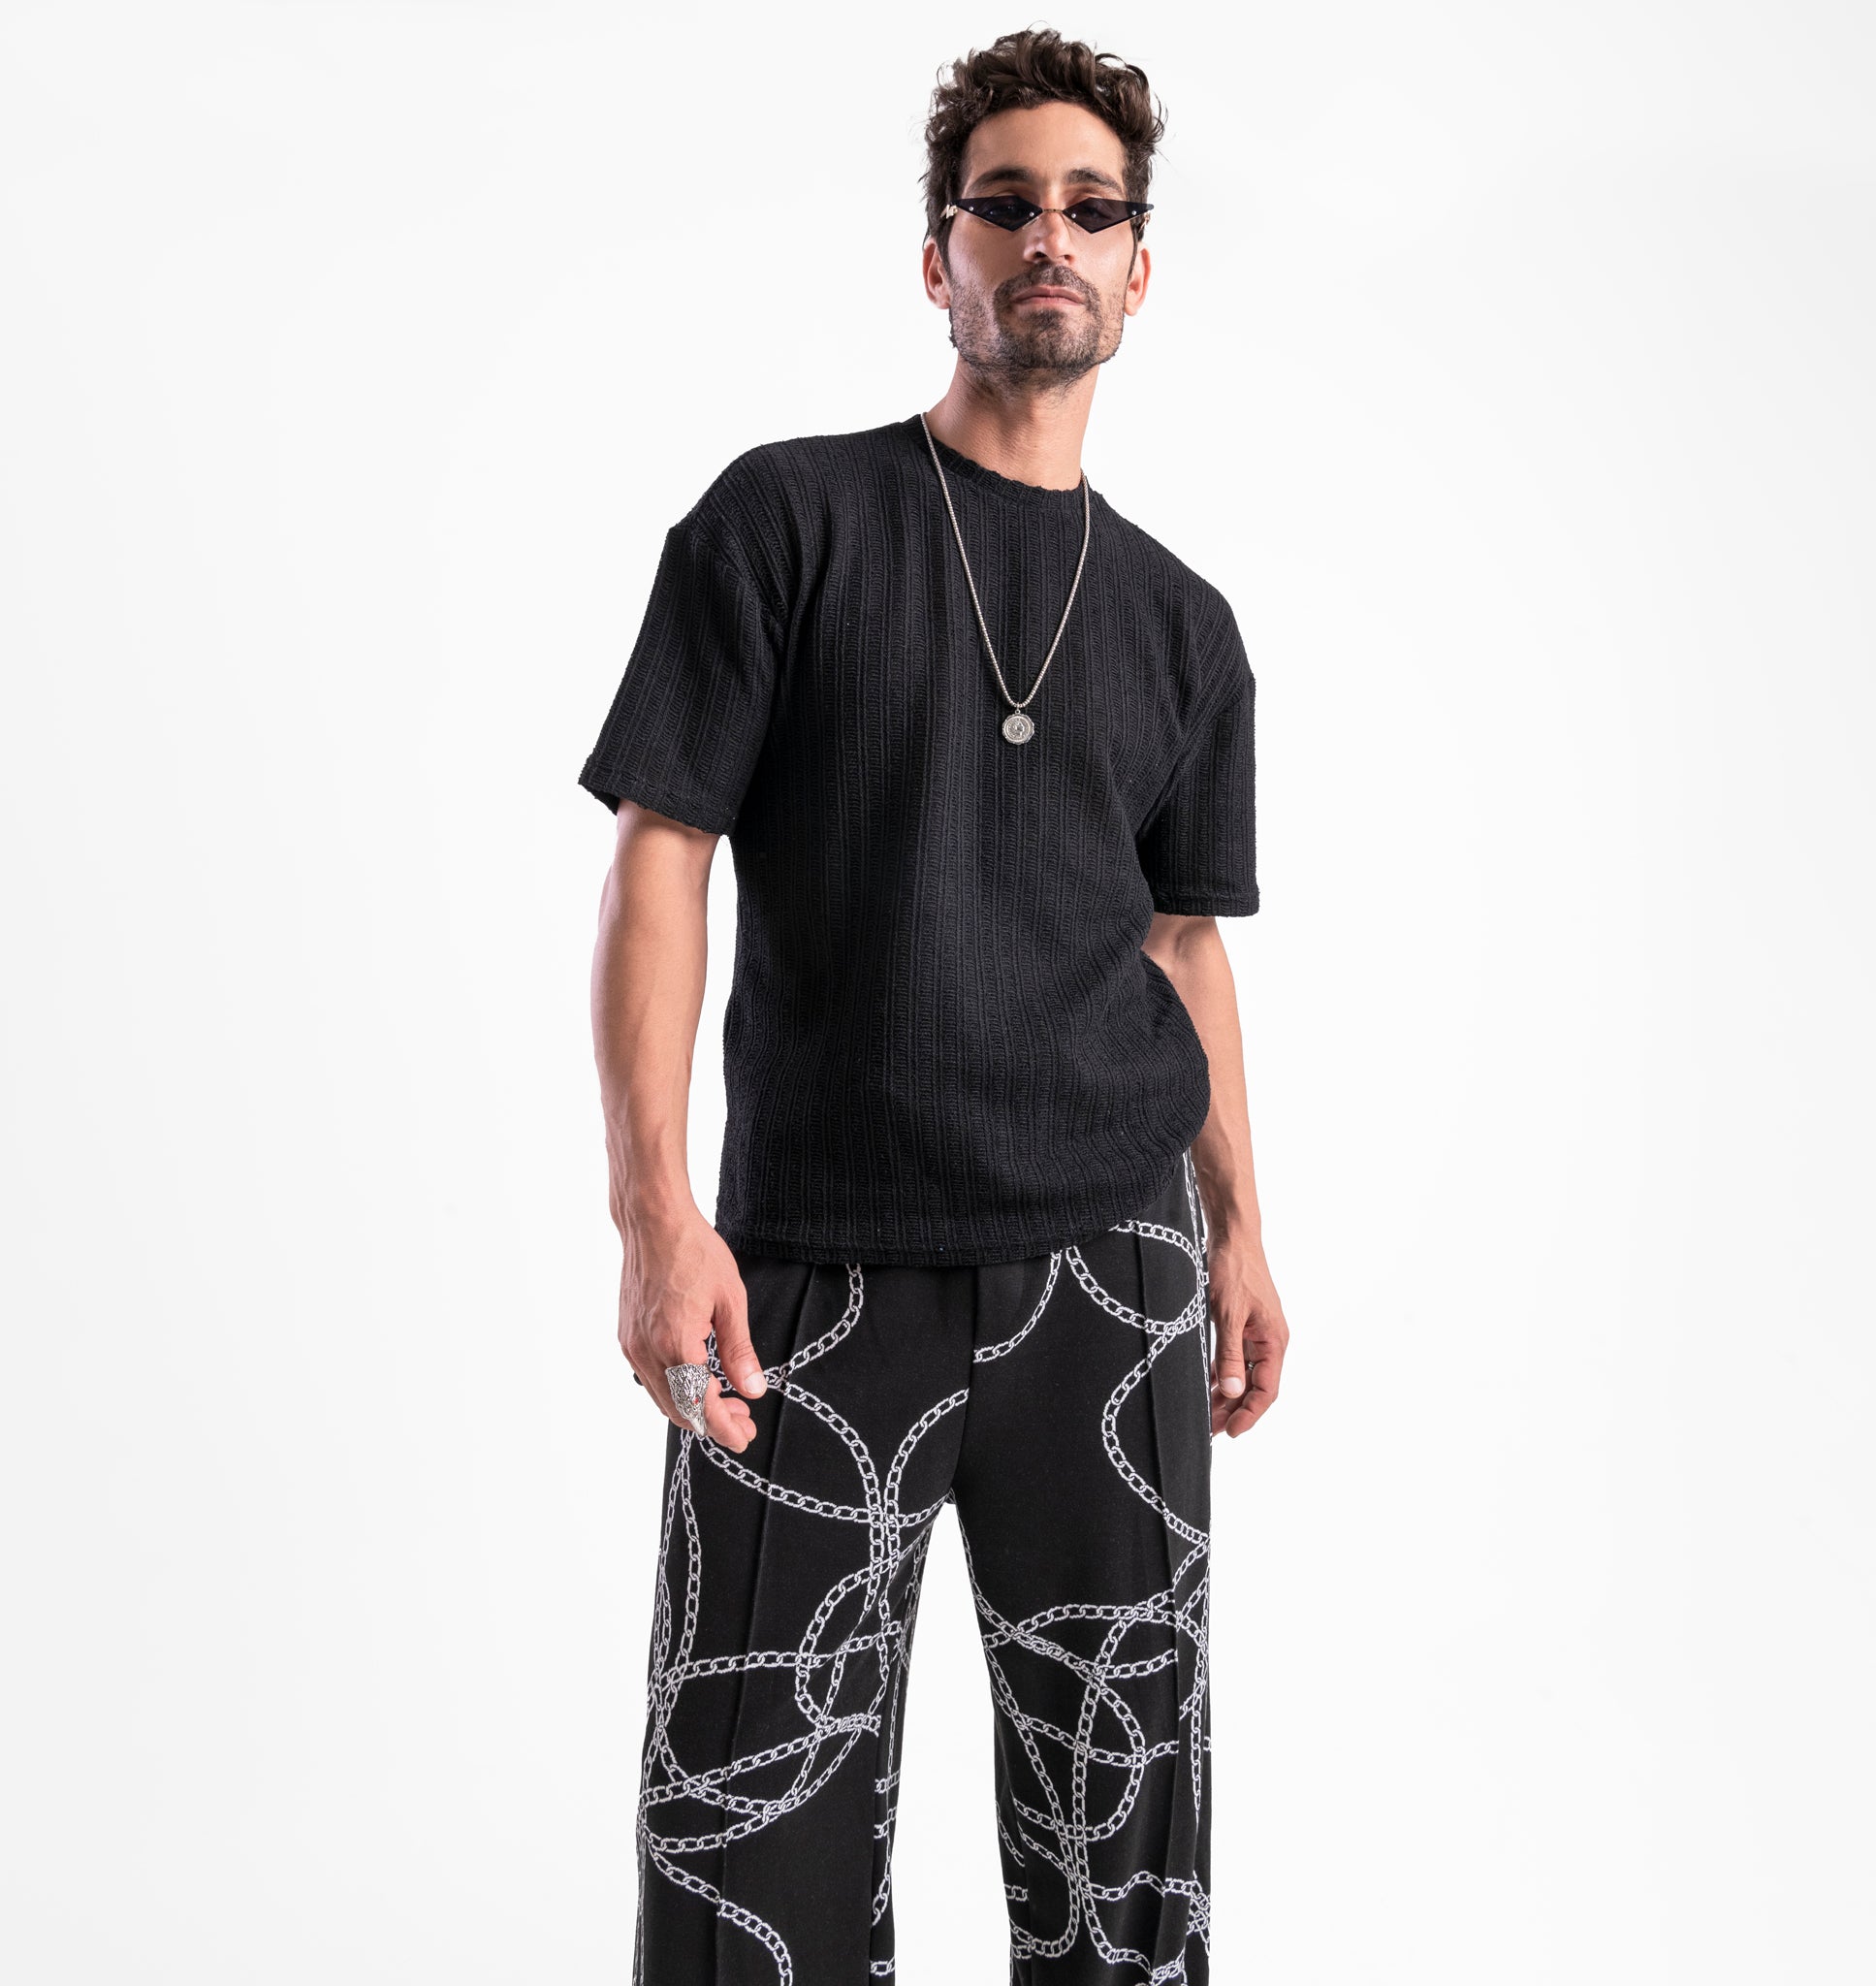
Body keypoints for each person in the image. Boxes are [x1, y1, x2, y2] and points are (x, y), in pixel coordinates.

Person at [581, 26, 1289, 1984]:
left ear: (1137, 268)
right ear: (938, 255)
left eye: (1091, 208)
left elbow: (1182, 945)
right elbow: (661, 856)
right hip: (813, 1276)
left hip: (1111, 1280)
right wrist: (655, 1215)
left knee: (1123, 1863)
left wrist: (1241, 1228)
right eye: (1005, 204)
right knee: (744, 1850)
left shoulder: (1184, 626)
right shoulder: (786, 524)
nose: (1049, 236)